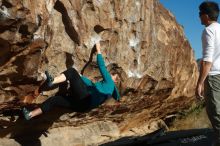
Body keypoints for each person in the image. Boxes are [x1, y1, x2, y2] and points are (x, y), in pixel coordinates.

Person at [23, 42, 120, 120]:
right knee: (55, 100)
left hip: (86, 99)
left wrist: (98, 50)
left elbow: (102, 67)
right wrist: (80, 76)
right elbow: (90, 85)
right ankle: (30, 114)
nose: (110, 75)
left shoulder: (110, 84)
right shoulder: (106, 91)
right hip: (83, 107)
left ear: (115, 81)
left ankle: (52, 81)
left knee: (71, 72)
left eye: (113, 75)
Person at [195, 1, 220, 146]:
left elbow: (207, 61)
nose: (198, 17)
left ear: (205, 15)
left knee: (215, 111)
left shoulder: (209, 30)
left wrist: (199, 83)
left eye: (199, 14)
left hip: (214, 76)